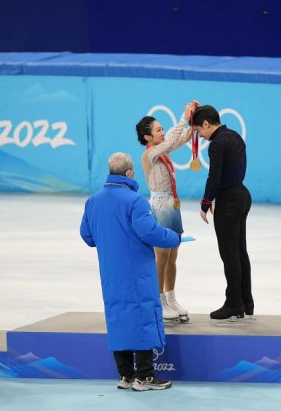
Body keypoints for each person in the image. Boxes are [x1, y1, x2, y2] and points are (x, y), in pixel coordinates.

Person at [80, 152, 180, 391]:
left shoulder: (93, 200)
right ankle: (144, 377)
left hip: (110, 271)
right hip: (136, 270)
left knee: (118, 317)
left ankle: (125, 375)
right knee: (142, 316)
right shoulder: (135, 201)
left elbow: (87, 236)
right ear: (129, 174)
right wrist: (174, 237)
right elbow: (149, 232)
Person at [136, 100, 198, 323]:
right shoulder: (149, 155)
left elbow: (178, 140)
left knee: (173, 255)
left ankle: (171, 298)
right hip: (160, 205)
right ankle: (158, 300)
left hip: (172, 205)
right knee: (161, 256)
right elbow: (172, 140)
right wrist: (182, 118)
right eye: (158, 130)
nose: (162, 132)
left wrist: (193, 121)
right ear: (147, 138)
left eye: (162, 129)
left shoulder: (163, 152)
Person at [192, 105, 253, 321]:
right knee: (240, 251)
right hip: (243, 195)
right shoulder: (235, 136)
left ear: (206, 124)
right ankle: (246, 301)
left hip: (228, 200)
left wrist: (205, 203)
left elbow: (214, 177)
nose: (201, 135)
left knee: (229, 255)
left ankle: (233, 303)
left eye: (200, 130)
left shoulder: (217, 144)